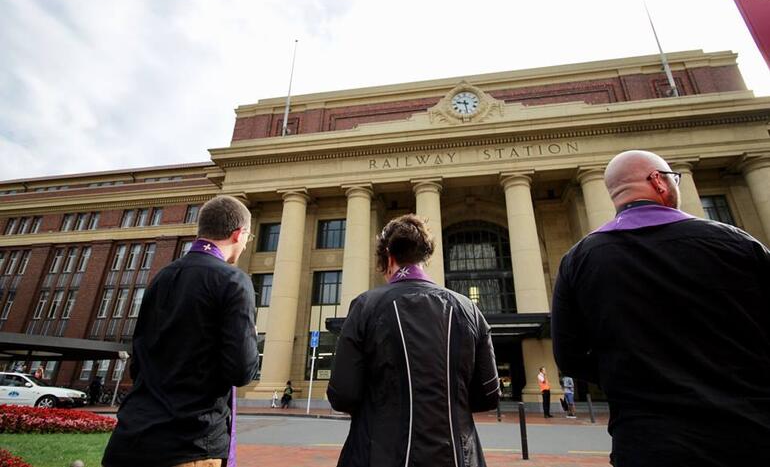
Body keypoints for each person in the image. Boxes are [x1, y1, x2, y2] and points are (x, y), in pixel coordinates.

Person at [552, 150, 770, 466]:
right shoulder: (738, 244)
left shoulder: (579, 259)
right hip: (750, 433)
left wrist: (626, 374)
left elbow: (568, 355)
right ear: (659, 181)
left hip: (648, 440)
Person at [328, 214, 499, 467]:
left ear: (388, 257)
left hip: (378, 453)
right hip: (458, 456)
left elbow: (342, 393)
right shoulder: (469, 309)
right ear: (424, 257)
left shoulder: (366, 306)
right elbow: (489, 394)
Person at [102, 195, 259, 467]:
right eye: (248, 237)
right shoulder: (232, 280)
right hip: (189, 443)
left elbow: (137, 363)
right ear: (238, 233)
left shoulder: (161, 278)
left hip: (130, 439)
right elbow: (241, 370)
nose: (246, 245)